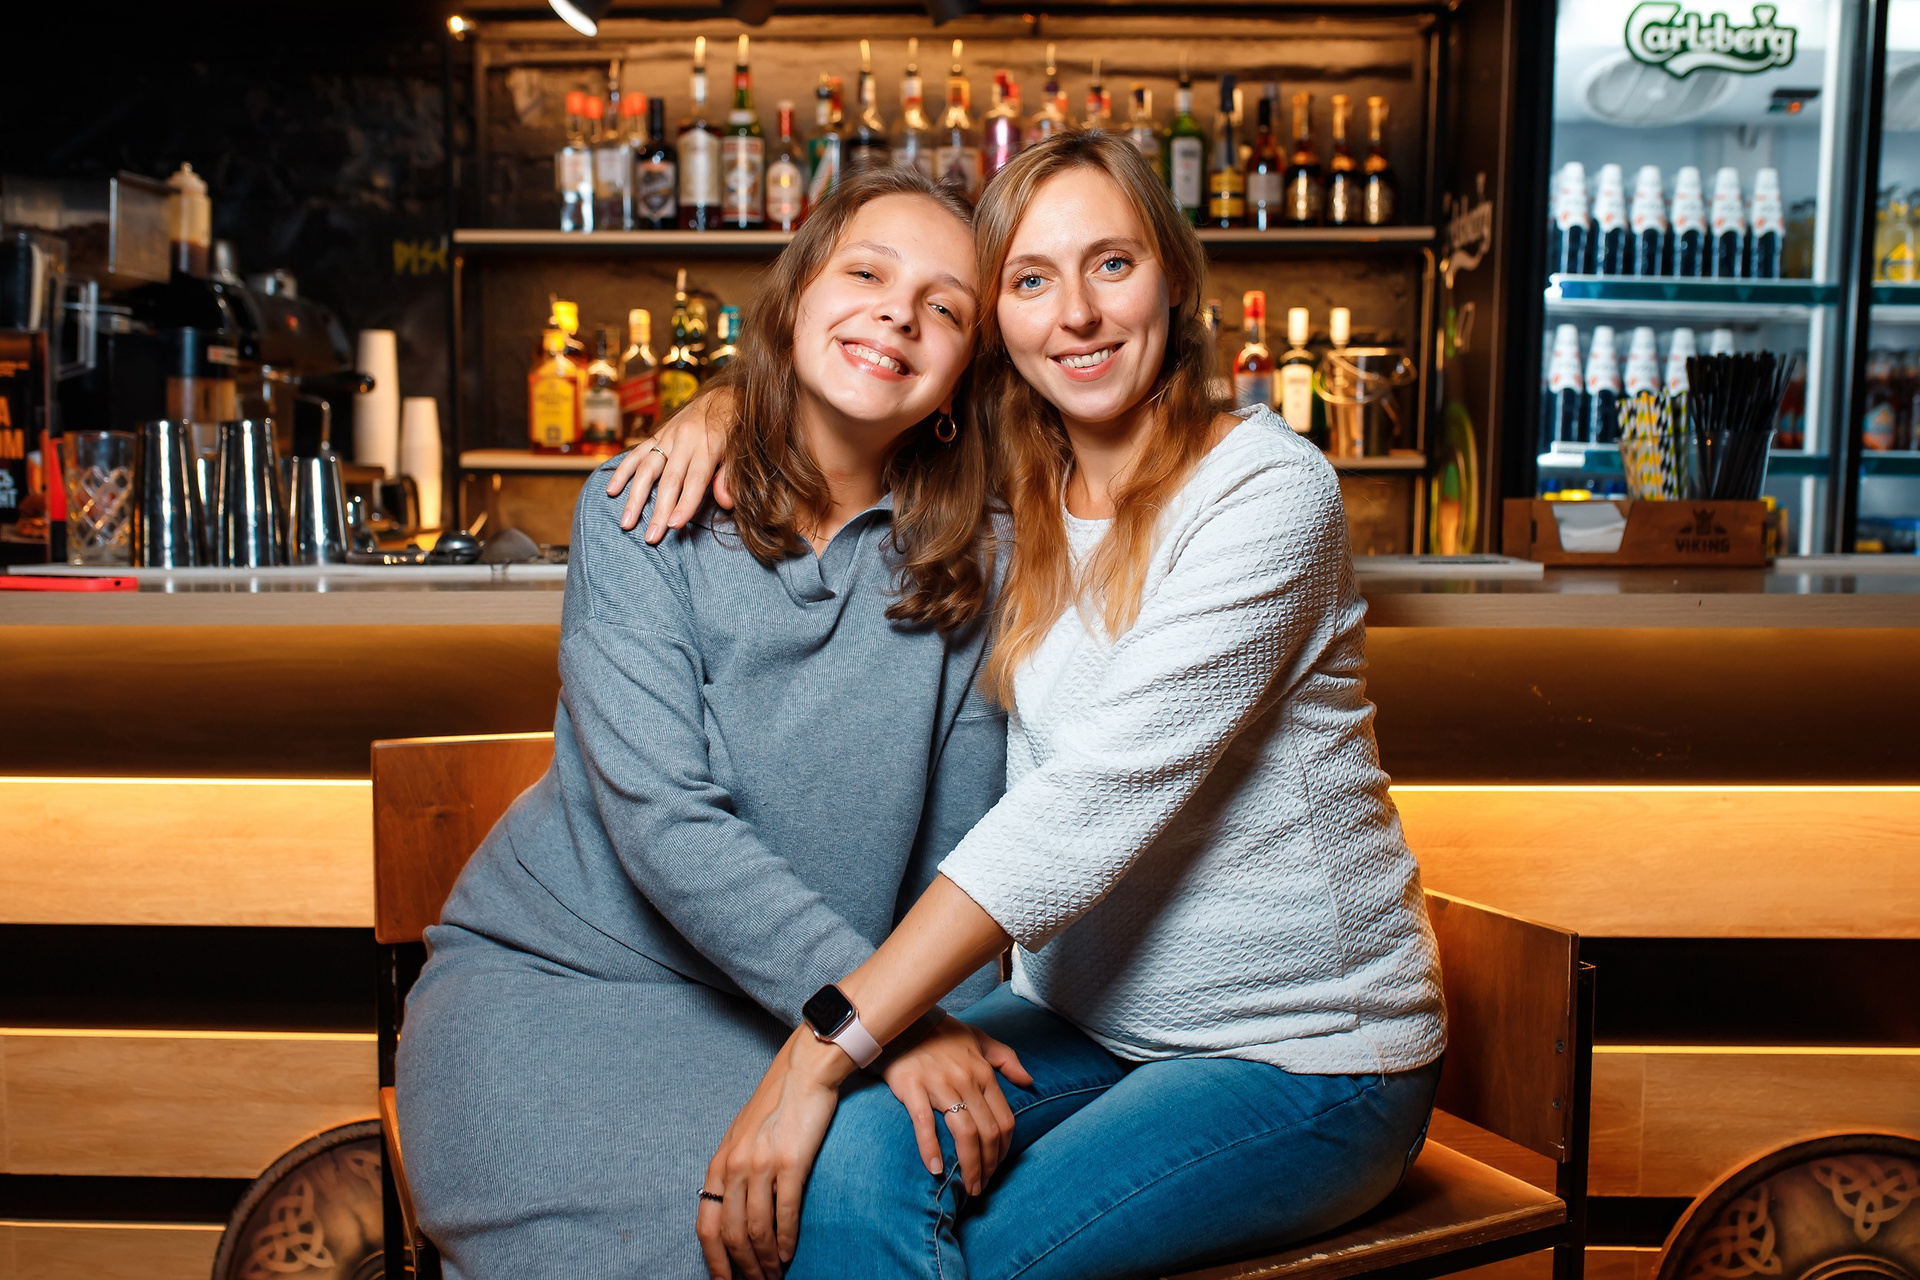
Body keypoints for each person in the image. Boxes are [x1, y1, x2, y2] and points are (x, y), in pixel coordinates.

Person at [611, 131, 1446, 1280]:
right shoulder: (1019, 496)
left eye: (1113, 264)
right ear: (998, 323)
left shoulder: (1268, 493)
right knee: (845, 1175)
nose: (1079, 314)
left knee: (968, 1250)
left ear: (1174, 276)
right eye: (1032, 280)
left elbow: (1085, 808)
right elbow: (851, 397)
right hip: (1090, 1025)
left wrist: (819, 1047)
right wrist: (724, 409)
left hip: (1305, 1053)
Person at [394, 166, 1038, 1280]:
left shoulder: (987, 559)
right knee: (716, 1247)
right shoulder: (644, 507)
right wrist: (881, 1027)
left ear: (961, 377)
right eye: (867, 274)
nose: (898, 312)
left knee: (917, 1209)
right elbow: (666, 824)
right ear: (793, 305)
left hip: (811, 1013)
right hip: (564, 995)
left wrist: (932, 1043)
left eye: (944, 306)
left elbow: (963, 862)